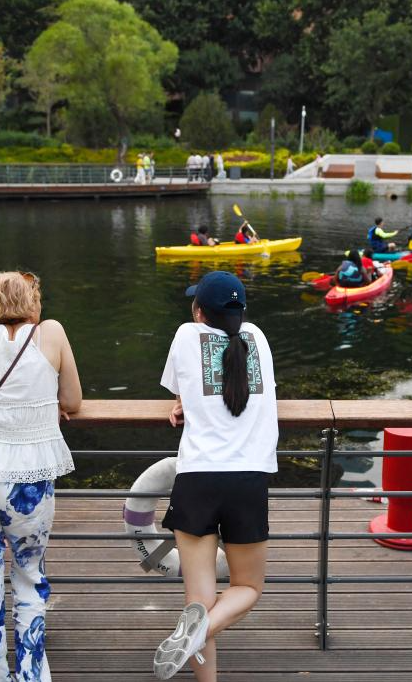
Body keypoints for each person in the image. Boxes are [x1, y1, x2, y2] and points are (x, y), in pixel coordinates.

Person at [0, 271, 82, 681]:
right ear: (33, 301)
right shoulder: (52, 332)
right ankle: (30, 676)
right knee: (28, 577)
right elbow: (73, 401)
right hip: (28, 478)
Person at [154, 271, 277, 680]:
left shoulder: (186, 334)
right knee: (248, 588)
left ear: (199, 311)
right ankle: (197, 631)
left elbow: (185, 384)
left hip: (197, 479)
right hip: (247, 479)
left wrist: (183, 403)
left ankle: (196, 630)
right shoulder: (257, 338)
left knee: (199, 601)